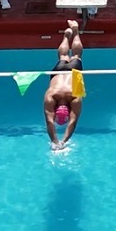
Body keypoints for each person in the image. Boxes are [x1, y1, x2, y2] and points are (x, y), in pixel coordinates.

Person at [43, 21, 85, 150]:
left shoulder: (75, 98)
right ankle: (68, 35)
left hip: (74, 75)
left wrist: (59, 142)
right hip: (58, 72)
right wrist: (58, 142)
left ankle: (75, 31)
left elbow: (72, 122)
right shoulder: (50, 96)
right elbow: (50, 122)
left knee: (76, 56)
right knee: (62, 56)